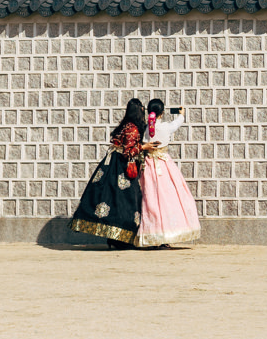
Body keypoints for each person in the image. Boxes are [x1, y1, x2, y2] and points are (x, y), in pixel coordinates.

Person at [70, 99, 147, 248]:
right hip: (122, 168)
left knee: (112, 199)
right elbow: (128, 152)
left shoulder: (125, 125)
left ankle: (114, 238)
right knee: (126, 201)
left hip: (112, 165)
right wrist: (144, 147)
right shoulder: (133, 129)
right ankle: (121, 239)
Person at [134, 98, 201, 248]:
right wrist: (181, 114)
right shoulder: (165, 127)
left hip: (149, 164)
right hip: (164, 165)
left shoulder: (146, 129)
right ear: (162, 113)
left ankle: (152, 235)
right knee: (168, 199)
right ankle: (166, 236)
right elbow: (177, 123)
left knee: (151, 200)